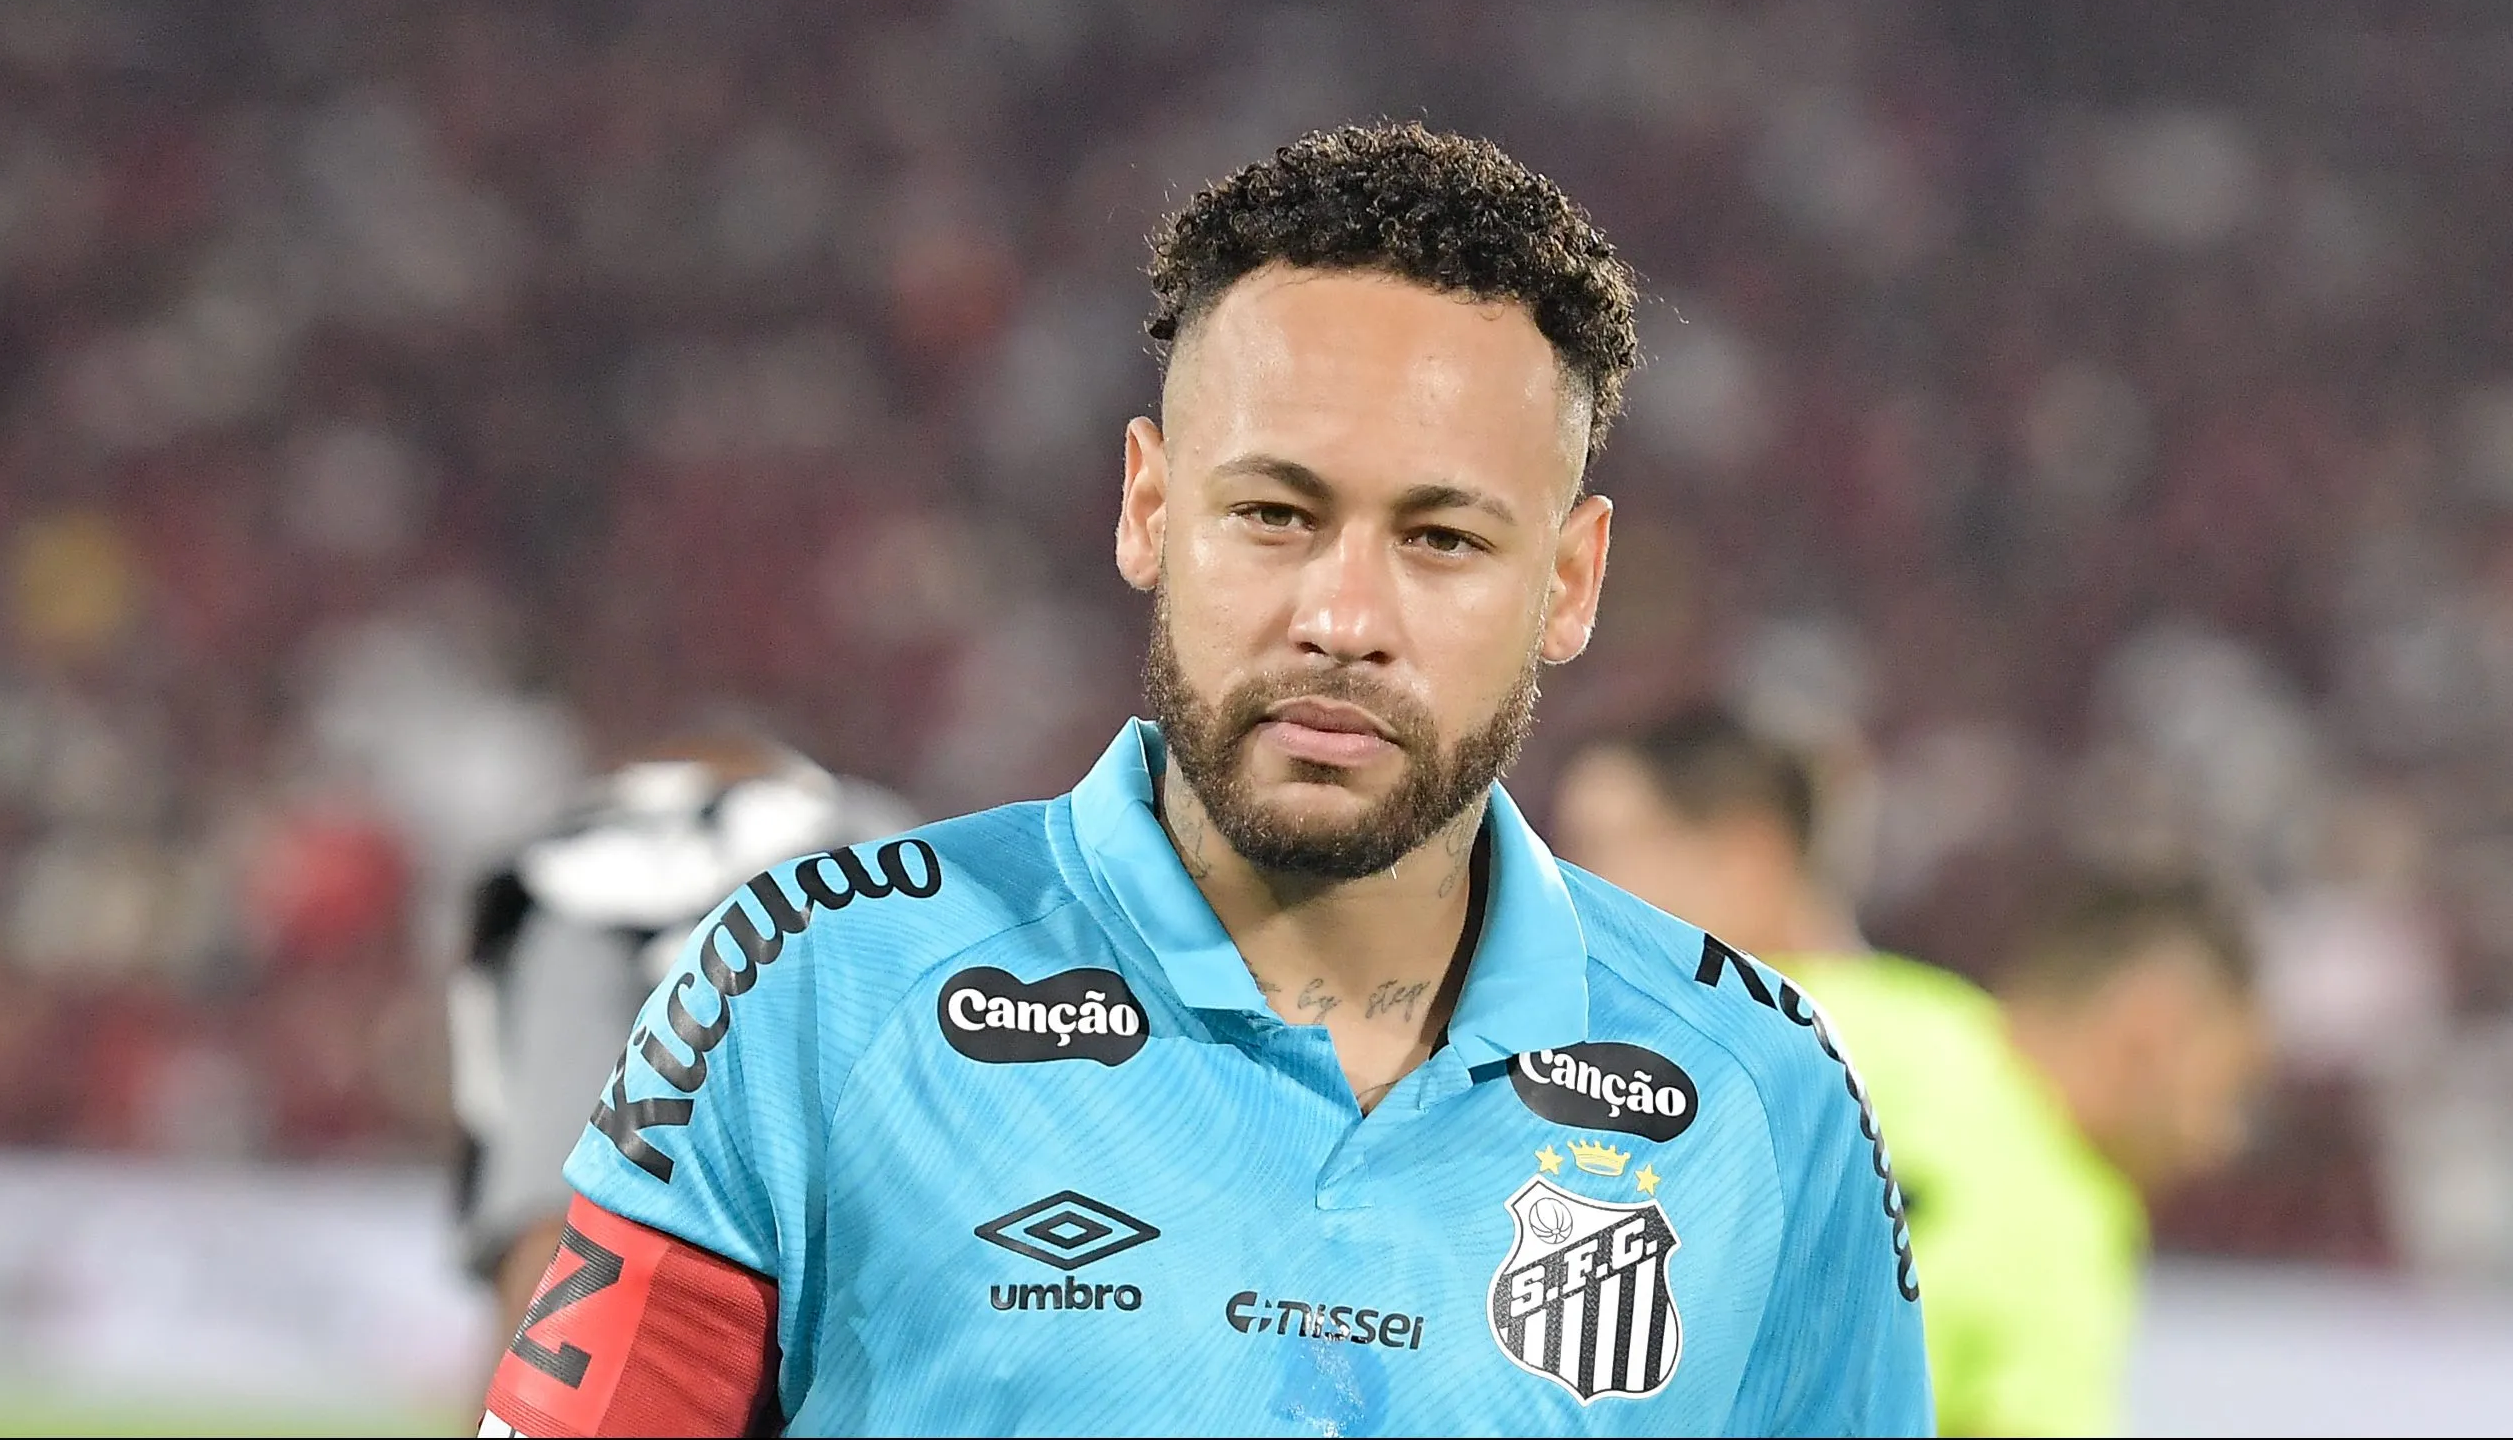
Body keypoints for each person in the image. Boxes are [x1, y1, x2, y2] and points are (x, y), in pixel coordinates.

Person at [477, 125, 1930, 1436]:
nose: (1342, 615)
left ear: (1569, 578)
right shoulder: (813, 991)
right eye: (1275, 513)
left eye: (1442, 540)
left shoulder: (1767, 1101)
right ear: (1151, 506)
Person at [1553, 708, 2267, 1436]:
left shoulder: (1850, 1012)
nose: (2216, 1138)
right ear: (2152, 1027)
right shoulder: (2067, 1224)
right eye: (2224, 1091)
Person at [450, 730, 912, 1345]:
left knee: (557, 1233)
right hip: (825, 904)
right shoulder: (865, 819)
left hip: (587, 915)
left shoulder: (578, 838)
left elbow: (545, 1225)